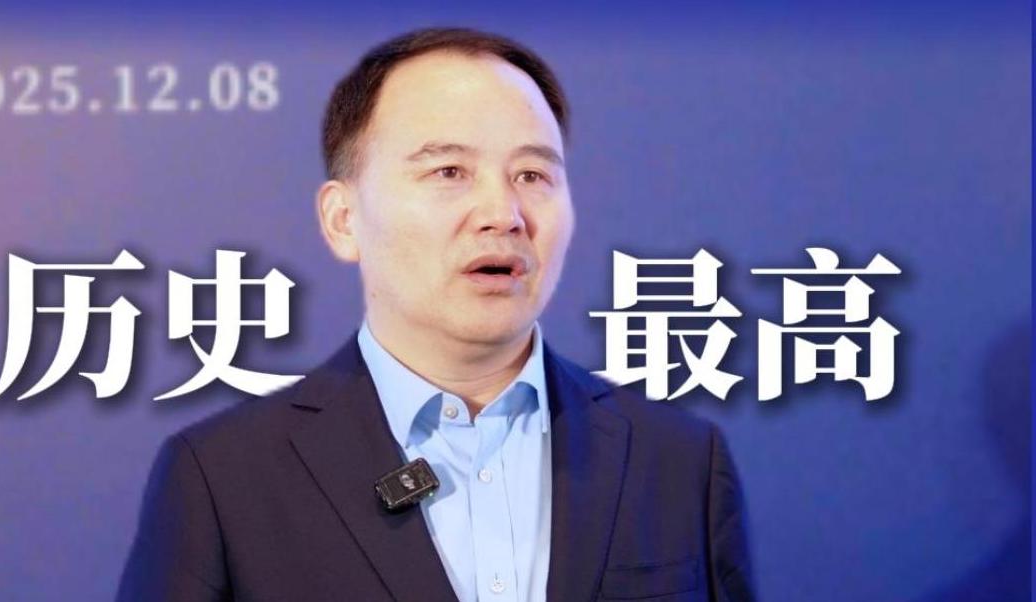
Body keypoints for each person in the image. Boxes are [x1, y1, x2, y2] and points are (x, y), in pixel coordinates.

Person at [117, 27, 755, 602]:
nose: (503, 214)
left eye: (533, 175)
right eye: (450, 171)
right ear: (343, 219)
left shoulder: (680, 462)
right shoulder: (222, 477)